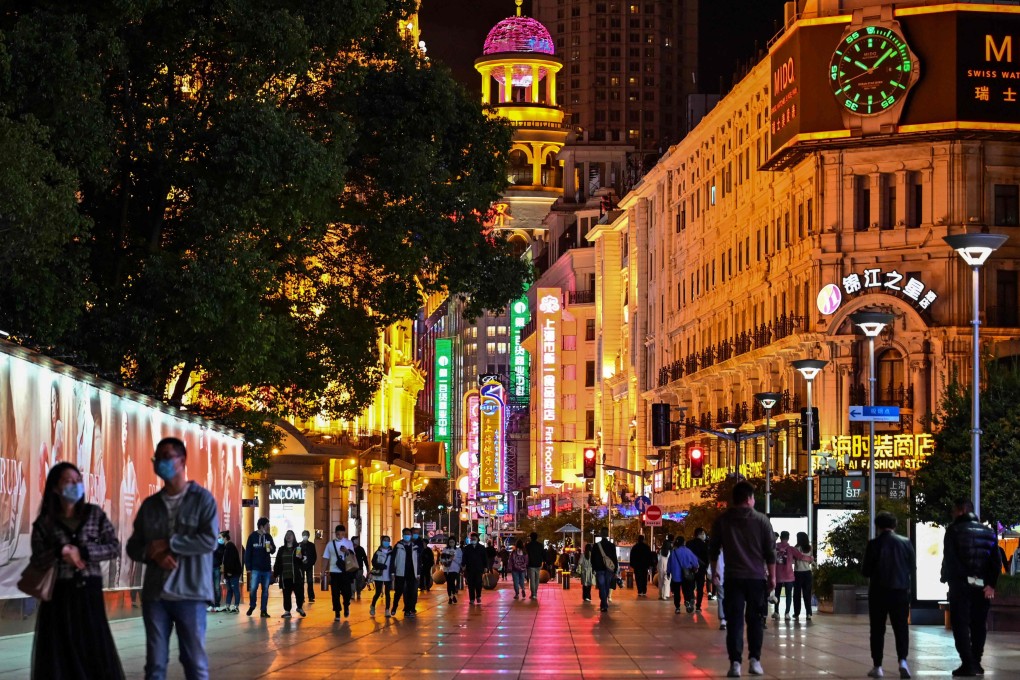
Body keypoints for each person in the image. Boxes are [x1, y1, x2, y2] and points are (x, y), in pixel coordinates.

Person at [127, 437, 218, 680]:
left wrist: (169, 544)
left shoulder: (202, 499)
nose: (161, 463)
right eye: (158, 459)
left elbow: (209, 540)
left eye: (167, 457)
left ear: (182, 460)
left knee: (194, 663)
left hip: (191, 593)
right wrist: (153, 554)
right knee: (155, 665)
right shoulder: (151, 505)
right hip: (156, 595)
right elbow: (133, 547)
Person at [30, 462, 124, 679]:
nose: (74, 485)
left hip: (89, 593)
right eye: (68, 481)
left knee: (92, 649)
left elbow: (113, 547)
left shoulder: (94, 514)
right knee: (60, 652)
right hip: (58, 596)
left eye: (78, 481)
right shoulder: (45, 522)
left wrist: (82, 551)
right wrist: (61, 551)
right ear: (55, 487)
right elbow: (38, 559)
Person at [709, 480, 776, 678]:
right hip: (756, 578)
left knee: (735, 622)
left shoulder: (722, 520)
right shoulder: (762, 521)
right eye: (754, 497)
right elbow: (770, 552)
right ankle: (755, 660)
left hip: (732, 578)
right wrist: (772, 577)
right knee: (755, 621)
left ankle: (735, 663)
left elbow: (713, 550)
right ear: (749, 499)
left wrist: (715, 572)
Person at [941, 499, 1000, 677]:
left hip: (960, 585)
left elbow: (950, 559)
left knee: (960, 624)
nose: (952, 514)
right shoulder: (989, 532)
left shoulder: (953, 530)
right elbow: (995, 562)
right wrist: (991, 584)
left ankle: (967, 663)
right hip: (982, 586)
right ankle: (977, 662)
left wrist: (948, 577)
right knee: (978, 624)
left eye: (954, 511)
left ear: (961, 511)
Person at [862, 511, 915, 679]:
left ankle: (877, 666)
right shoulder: (906, 542)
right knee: (901, 628)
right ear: (895, 525)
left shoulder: (873, 544)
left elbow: (866, 571)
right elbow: (912, 567)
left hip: (878, 592)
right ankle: (903, 661)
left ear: (877, 526)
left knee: (877, 629)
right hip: (900, 591)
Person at [772, 531, 811, 620]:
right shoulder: (791, 549)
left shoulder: (774, 547)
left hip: (778, 575)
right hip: (789, 575)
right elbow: (801, 557)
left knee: (777, 594)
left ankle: (776, 612)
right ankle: (787, 613)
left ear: (781, 537)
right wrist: (810, 558)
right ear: (788, 538)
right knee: (788, 595)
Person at [321, 524, 356, 621]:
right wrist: (322, 572)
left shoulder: (349, 543)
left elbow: (353, 556)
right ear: (335, 533)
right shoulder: (330, 544)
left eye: (341, 534)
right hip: (334, 572)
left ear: (344, 533)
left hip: (345, 572)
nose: (340, 536)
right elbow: (325, 558)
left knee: (347, 593)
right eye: (338, 534)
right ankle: (337, 612)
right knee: (335, 593)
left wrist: (347, 551)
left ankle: (346, 606)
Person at [243, 517, 275, 617]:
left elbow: (273, 550)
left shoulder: (268, 537)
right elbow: (248, 552)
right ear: (262, 526)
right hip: (255, 568)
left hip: (266, 568)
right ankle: (252, 605)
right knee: (253, 588)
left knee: (265, 590)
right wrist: (248, 567)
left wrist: (271, 548)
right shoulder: (252, 536)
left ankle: (263, 610)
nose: (268, 527)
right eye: (267, 525)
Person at [273, 530, 306, 618]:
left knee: (299, 593)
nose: (288, 536)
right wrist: (275, 574)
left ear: (293, 537)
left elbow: (304, 560)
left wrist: (301, 557)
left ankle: (299, 607)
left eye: (290, 535)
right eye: (287, 534)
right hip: (285, 576)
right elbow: (277, 562)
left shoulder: (298, 548)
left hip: (296, 576)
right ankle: (287, 611)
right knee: (286, 594)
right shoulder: (281, 549)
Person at [390, 528, 420, 618]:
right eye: (405, 534)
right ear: (403, 535)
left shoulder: (414, 547)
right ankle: (394, 607)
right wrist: (392, 571)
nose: (407, 536)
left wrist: (418, 573)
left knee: (410, 592)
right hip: (400, 572)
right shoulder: (398, 546)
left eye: (409, 534)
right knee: (398, 591)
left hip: (411, 572)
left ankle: (408, 610)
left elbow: (417, 560)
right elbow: (393, 559)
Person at [668, 536, 701, 614]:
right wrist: (696, 568)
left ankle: (677, 607)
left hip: (676, 576)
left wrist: (668, 572)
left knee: (676, 592)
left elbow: (669, 564)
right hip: (686, 575)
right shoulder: (688, 551)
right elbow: (695, 562)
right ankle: (687, 602)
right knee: (687, 590)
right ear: (684, 542)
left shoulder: (674, 552)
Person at [590, 527, 618, 612]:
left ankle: (604, 604)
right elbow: (614, 558)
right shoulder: (611, 546)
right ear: (607, 534)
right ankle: (604, 603)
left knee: (602, 587)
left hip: (599, 570)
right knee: (606, 586)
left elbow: (592, 559)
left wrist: (594, 568)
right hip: (609, 570)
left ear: (601, 534)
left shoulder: (596, 546)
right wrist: (615, 569)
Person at [369, 535, 393, 616]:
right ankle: (372, 606)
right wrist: (380, 566)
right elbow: (373, 562)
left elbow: (394, 563)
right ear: (382, 541)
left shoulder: (392, 552)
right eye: (385, 540)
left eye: (388, 540)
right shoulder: (378, 552)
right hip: (379, 575)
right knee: (378, 592)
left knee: (387, 593)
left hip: (388, 575)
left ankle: (387, 610)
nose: (386, 542)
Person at [462, 532, 488, 605]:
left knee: (478, 583)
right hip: (470, 569)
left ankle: (478, 596)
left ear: (477, 539)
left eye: (474, 539)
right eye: (471, 539)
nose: (473, 540)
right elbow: (464, 558)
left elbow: (485, 558)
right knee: (470, 585)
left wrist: (486, 566)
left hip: (479, 568)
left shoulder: (481, 548)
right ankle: (472, 599)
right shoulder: (467, 548)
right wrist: (463, 565)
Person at [792, 532, 814, 621]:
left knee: (796, 594)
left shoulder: (795, 548)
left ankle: (796, 613)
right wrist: (807, 559)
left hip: (798, 573)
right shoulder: (809, 548)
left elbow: (793, 561)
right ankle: (808, 613)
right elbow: (811, 561)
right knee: (807, 594)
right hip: (808, 573)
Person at [687, 528, 710, 611]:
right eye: (703, 534)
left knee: (690, 586)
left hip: (691, 568)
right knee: (700, 587)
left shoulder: (689, 543)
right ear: (700, 534)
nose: (704, 536)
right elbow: (707, 558)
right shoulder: (704, 545)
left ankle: (691, 599)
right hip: (701, 569)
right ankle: (698, 606)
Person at [220, 531, 242, 613]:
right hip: (228, 573)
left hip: (233, 573)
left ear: (225, 538)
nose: (219, 539)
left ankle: (236, 606)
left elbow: (232, 560)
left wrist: (230, 571)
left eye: (220, 537)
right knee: (229, 590)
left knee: (235, 589)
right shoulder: (225, 547)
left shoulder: (230, 546)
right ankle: (227, 606)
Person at [440, 536, 463, 604]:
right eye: (450, 542)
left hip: (455, 569)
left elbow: (460, 561)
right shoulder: (445, 549)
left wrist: (453, 558)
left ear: (455, 542)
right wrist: (448, 559)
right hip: (446, 569)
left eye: (453, 542)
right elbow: (442, 559)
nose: (451, 543)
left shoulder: (458, 550)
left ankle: (453, 595)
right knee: (449, 583)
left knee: (452, 582)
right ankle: (450, 597)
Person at [298, 530, 317, 603]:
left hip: (309, 566)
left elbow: (314, 556)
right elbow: (297, 555)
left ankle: (311, 597)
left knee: (310, 581)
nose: (305, 536)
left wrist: (311, 563)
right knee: (301, 582)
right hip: (301, 565)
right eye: (304, 534)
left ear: (308, 536)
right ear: (302, 536)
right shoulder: (299, 545)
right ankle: (301, 597)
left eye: (306, 535)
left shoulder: (312, 545)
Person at [209, 531, 225, 613]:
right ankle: (210, 605)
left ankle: (217, 604)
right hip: (209, 567)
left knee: (217, 587)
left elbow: (221, 554)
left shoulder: (221, 544)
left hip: (216, 568)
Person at [526, 532, 544, 600]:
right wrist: (543, 561)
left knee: (532, 580)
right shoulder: (540, 545)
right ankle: (535, 593)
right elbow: (543, 554)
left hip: (531, 564)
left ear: (531, 537)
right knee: (537, 579)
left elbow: (526, 555)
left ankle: (533, 594)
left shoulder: (528, 545)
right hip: (538, 564)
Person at [352, 535, 369, 600]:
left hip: (359, 568)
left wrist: (367, 568)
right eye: (356, 540)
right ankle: (353, 593)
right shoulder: (350, 548)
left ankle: (358, 593)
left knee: (359, 581)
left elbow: (365, 558)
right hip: (352, 568)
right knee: (352, 581)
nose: (357, 541)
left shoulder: (361, 549)